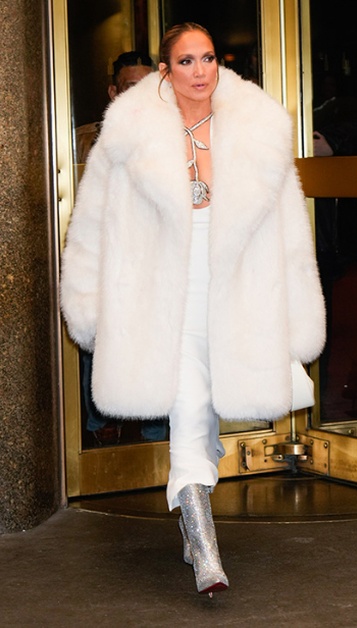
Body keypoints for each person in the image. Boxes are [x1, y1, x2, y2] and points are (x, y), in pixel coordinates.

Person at [59, 23, 325, 595]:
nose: (200, 70)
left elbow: (289, 232)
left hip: (235, 294)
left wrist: (299, 314)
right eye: (186, 60)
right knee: (187, 407)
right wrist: (87, 303)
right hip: (160, 298)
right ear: (165, 70)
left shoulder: (257, 131)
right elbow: (91, 226)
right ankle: (206, 552)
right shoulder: (127, 136)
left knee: (204, 415)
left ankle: (190, 517)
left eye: (207, 58)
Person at [75, 50, 167, 447]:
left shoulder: (169, 136)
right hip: (104, 256)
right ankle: (101, 426)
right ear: (114, 91)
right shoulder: (82, 139)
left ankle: (154, 434)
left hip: (154, 257)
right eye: (131, 86)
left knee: (157, 342)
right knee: (97, 340)